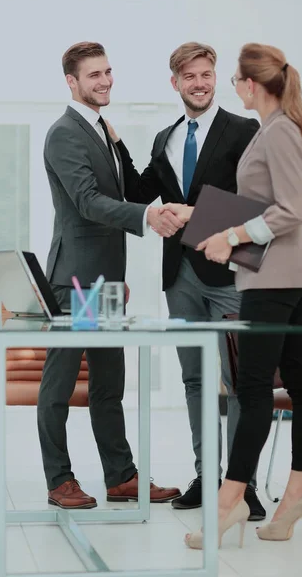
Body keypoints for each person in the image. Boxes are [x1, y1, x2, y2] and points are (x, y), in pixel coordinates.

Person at [105, 42, 265, 519]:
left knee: (239, 382)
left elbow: (257, 204)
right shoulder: (166, 138)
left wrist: (197, 217)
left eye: (206, 74)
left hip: (231, 272)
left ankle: (243, 486)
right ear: (174, 83)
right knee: (195, 380)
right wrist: (112, 144)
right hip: (180, 278)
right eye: (189, 76)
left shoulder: (244, 130)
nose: (199, 83)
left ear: (215, 78)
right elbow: (139, 192)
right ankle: (207, 476)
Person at [179, 42, 302, 548]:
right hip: (281, 275)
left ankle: (231, 499)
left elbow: (288, 213)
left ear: (252, 84)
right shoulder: (274, 130)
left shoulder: (279, 131)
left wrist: (232, 237)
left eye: (236, 80)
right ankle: (298, 494)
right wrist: (201, 222)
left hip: (275, 279)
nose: (232, 87)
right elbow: (263, 208)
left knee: (254, 387)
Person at [37, 41, 182, 509]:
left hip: (107, 282)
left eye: (107, 72)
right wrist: (147, 218)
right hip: (78, 282)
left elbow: (122, 185)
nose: (104, 81)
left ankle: (121, 477)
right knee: (59, 385)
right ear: (72, 82)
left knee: (108, 383)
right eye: (93, 75)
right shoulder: (65, 133)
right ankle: (59, 479)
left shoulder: (99, 129)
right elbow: (86, 202)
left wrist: (117, 142)